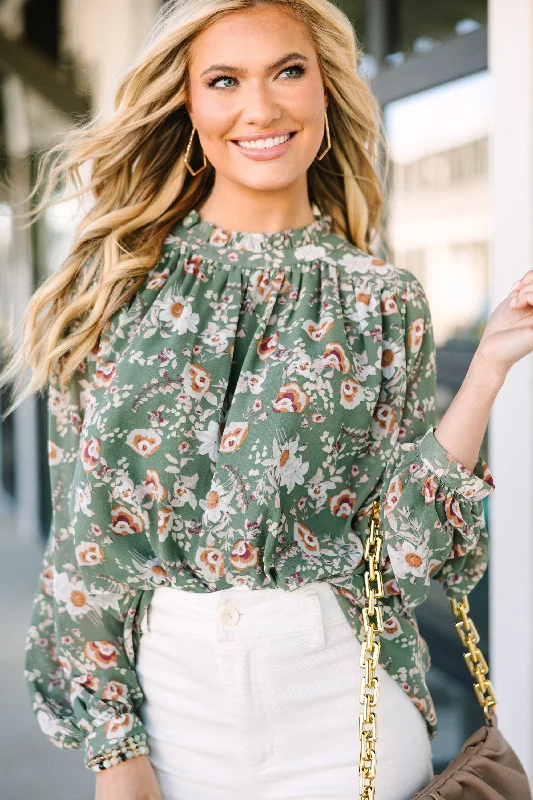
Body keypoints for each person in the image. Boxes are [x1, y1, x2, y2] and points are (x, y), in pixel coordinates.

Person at [2, 0, 532, 798]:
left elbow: (403, 559)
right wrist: (115, 754)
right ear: (189, 106)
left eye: (288, 71)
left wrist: (489, 366)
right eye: (224, 80)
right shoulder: (113, 290)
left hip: (340, 706)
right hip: (171, 714)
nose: (261, 108)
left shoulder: (381, 300)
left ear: (326, 91)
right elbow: (86, 547)